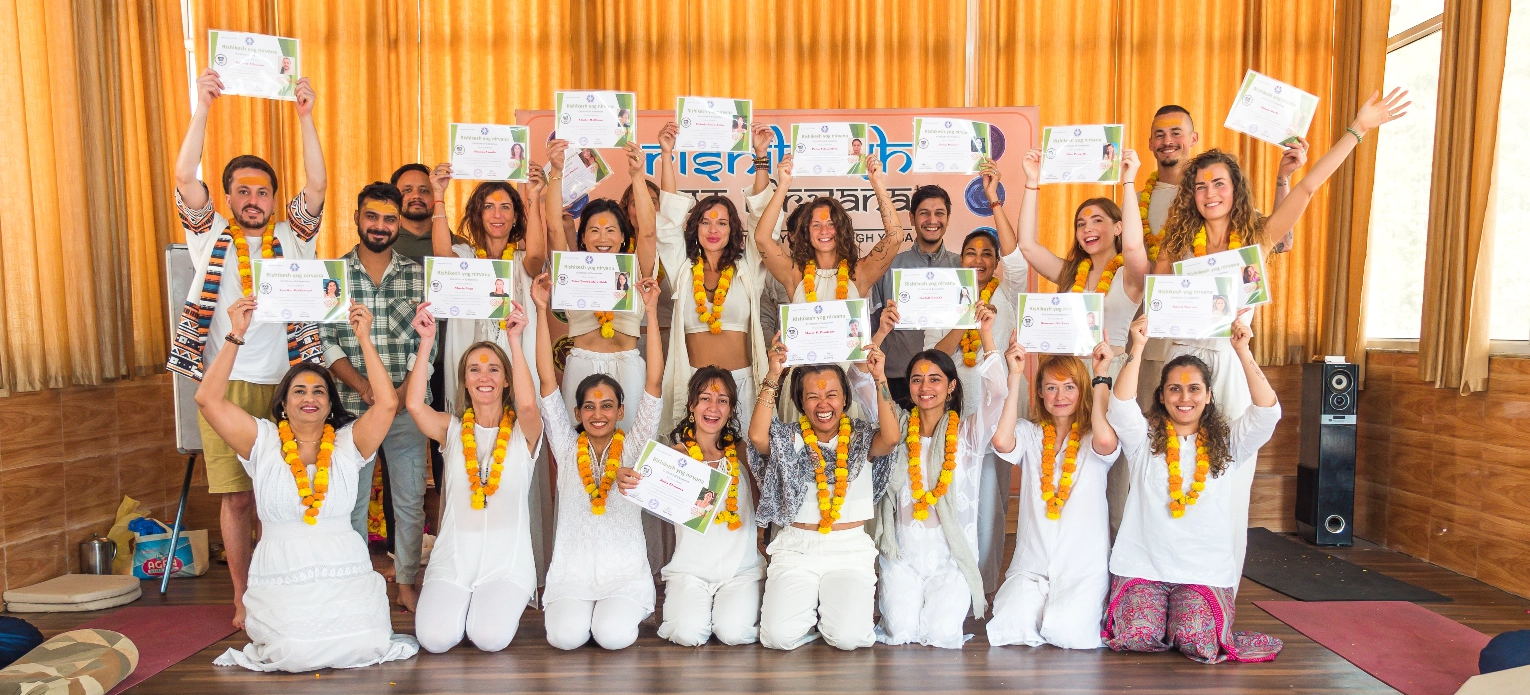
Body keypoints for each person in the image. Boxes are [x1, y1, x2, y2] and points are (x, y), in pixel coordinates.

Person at [167, 66, 327, 629]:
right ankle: (241, 596)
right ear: (228, 196)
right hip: (223, 383)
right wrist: (204, 106)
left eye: (263, 191)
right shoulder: (209, 234)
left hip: (289, 382)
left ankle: (280, 587)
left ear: (273, 199)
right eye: (243, 191)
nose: (254, 199)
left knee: (283, 495)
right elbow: (185, 173)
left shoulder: (293, 237)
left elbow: (318, 185)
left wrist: (306, 116)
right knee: (237, 499)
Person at [199, 298, 418, 671]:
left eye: (319, 391)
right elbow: (207, 399)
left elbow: (385, 405)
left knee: (367, 645)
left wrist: (363, 338)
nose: (310, 398)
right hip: (282, 572)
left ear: (330, 404)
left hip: (344, 569)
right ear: (283, 403)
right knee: (293, 652)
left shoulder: (348, 443)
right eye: (299, 391)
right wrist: (236, 334)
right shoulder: (263, 442)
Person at [1103, 314, 1283, 663]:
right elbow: (1120, 405)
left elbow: (1266, 412)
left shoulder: (1229, 443)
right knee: (1137, 637)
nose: (1184, 398)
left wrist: (1243, 351)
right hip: (1144, 566)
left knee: (1196, 643)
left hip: (1202, 570)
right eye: (1175, 388)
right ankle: (1160, 616)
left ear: (1209, 395)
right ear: (1161, 395)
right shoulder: (1144, 440)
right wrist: (1137, 347)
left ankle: (1177, 619)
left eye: (1194, 388)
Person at [531, 272, 667, 650]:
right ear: (576, 412)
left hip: (622, 575)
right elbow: (546, 379)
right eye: (589, 406)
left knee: (613, 637)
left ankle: (621, 610)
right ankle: (580, 612)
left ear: (621, 410)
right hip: (572, 573)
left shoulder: (634, 445)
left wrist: (651, 313)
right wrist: (542, 310)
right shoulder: (565, 443)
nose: (598, 414)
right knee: (564, 638)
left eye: (607, 405)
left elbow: (653, 382)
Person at [404, 301, 543, 653]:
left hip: (506, 563)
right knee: (434, 641)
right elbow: (415, 406)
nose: (485, 377)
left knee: (489, 638)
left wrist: (514, 339)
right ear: (464, 380)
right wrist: (426, 340)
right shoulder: (451, 430)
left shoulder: (523, 433)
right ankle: (458, 603)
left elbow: (527, 406)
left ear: (506, 379)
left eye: (494, 369)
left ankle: (481, 608)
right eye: (475, 369)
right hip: (453, 559)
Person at [865, 306, 1007, 649]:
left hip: (950, 559)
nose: (925, 387)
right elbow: (861, 384)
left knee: (942, 635)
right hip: (902, 556)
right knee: (900, 632)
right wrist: (880, 336)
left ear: (951, 385)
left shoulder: (969, 432)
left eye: (934, 379)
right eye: (916, 379)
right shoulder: (895, 425)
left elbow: (999, 394)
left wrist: (986, 334)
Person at [319, 182, 432, 613]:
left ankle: (405, 583)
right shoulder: (334, 275)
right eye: (372, 217)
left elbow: (429, 343)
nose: (380, 226)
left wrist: (400, 394)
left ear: (397, 222)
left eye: (389, 219)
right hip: (351, 410)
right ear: (357, 218)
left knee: (408, 501)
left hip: (405, 409)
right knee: (352, 501)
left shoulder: (417, 275)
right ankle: (355, 584)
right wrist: (364, 387)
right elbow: (325, 340)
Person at [919, 162, 1031, 594]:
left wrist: (995, 199)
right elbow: (934, 357)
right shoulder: (944, 297)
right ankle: (948, 579)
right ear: (959, 259)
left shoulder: (1008, 293)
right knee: (949, 495)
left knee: (989, 500)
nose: (980, 260)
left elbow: (1017, 258)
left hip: (995, 413)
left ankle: (981, 589)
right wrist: (964, 320)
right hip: (951, 414)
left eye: (987, 254)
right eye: (971, 254)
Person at [748, 338, 900, 651]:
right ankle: (815, 616)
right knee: (777, 638)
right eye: (813, 397)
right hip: (795, 550)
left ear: (845, 399)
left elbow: (892, 437)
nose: (823, 404)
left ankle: (826, 616)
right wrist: (774, 373)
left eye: (831, 395)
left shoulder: (860, 437)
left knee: (848, 639)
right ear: (801, 403)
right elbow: (757, 436)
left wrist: (879, 377)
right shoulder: (787, 438)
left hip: (849, 551)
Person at [986, 339, 1120, 649]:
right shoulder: (1031, 433)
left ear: (1082, 391)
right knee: (1010, 625)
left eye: (1069, 387)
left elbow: (1103, 440)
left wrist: (1101, 374)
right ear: (1040, 394)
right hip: (1033, 565)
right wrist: (1015, 374)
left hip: (1082, 567)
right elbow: (1002, 442)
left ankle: (1068, 610)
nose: (1060, 396)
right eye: (1051, 388)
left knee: (1067, 633)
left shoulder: (1095, 434)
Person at [620, 368, 765, 646]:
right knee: (687, 634)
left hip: (740, 571)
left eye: (722, 400)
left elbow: (759, 504)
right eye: (705, 398)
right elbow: (642, 494)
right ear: (692, 405)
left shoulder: (743, 452)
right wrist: (627, 479)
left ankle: (730, 611)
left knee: (732, 632)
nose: (713, 407)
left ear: (731, 408)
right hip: (691, 571)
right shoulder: (673, 457)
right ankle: (701, 611)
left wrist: (760, 540)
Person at [653, 121, 778, 436]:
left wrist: (761, 156)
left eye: (722, 222)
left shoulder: (746, 269)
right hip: (694, 383)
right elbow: (667, 222)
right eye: (706, 222)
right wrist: (666, 155)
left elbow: (764, 222)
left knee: (749, 464)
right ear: (695, 227)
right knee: (696, 463)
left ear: (732, 229)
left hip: (745, 383)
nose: (713, 229)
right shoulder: (683, 270)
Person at [543, 142, 659, 433]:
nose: (602, 237)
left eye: (610, 230)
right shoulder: (570, 269)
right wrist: (557, 172)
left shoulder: (636, 270)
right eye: (593, 230)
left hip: (628, 367)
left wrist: (636, 176)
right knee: (576, 449)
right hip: (582, 365)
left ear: (622, 238)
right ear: (583, 238)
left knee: (631, 449)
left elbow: (648, 232)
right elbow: (556, 228)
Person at [1015, 147, 1150, 378]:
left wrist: (1128, 182)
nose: (1087, 228)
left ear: (1119, 228)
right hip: (1068, 376)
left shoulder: (1129, 277)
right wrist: (1031, 181)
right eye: (1081, 223)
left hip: (1110, 373)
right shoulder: (1071, 272)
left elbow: (1132, 246)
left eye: (1097, 220)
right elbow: (1027, 245)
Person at [867, 180, 962, 410]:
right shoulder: (889, 266)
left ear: (948, 218)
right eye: (924, 213)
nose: (932, 220)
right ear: (912, 218)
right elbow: (871, 328)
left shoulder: (962, 268)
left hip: (945, 381)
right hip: (897, 379)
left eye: (939, 213)